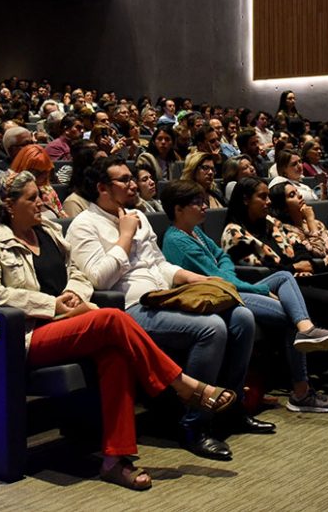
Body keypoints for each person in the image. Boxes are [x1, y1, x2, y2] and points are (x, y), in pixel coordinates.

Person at [0, 170, 236, 490]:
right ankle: (182, 384)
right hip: (29, 334)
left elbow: (79, 274)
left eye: (40, 195)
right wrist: (52, 305)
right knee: (112, 318)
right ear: (8, 204)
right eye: (32, 198)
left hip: (69, 321)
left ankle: (115, 459)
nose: (43, 202)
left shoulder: (50, 232)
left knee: (116, 354)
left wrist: (76, 296)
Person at [67, 156, 256, 461]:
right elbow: (98, 278)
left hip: (165, 297)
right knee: (212, 328)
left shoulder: (135, 215)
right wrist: (125, 235)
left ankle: (233, 411)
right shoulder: (84, 225)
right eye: (124, 180)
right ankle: (193, 425)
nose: (133, 184)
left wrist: (194, 278)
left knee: (242, 317)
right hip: (129, 308)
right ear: (102, 187)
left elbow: (159, 264)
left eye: (132, 177)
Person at [160, 180, 328, 413]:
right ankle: (301, 391)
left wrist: (225, 271)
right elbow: (220, 280)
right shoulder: (178, 241)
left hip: (228, 289)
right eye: (197, 203)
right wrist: (259, 290)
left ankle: (307, 329)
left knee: (284, 278)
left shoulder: (194, 231)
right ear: (178, 209)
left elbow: (222, 257)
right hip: (217, 299)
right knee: (290, 315)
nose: (205, 205)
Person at [222, 177, 328, 391]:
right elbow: (256, 270)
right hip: (275, 287)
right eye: (262, 197)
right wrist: (294, 268)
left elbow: (300, 248)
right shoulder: (234, 232)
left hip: (303, 277)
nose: (267, 202)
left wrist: (304, 264)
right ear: (246, 200)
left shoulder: (271, 223)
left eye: (268, 196)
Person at [9, 144, 66, 218]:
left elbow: (62, 215)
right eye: (37, 172)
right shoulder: (12, 193)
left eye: (46, 171)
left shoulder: (48, 190)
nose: (43, 176)